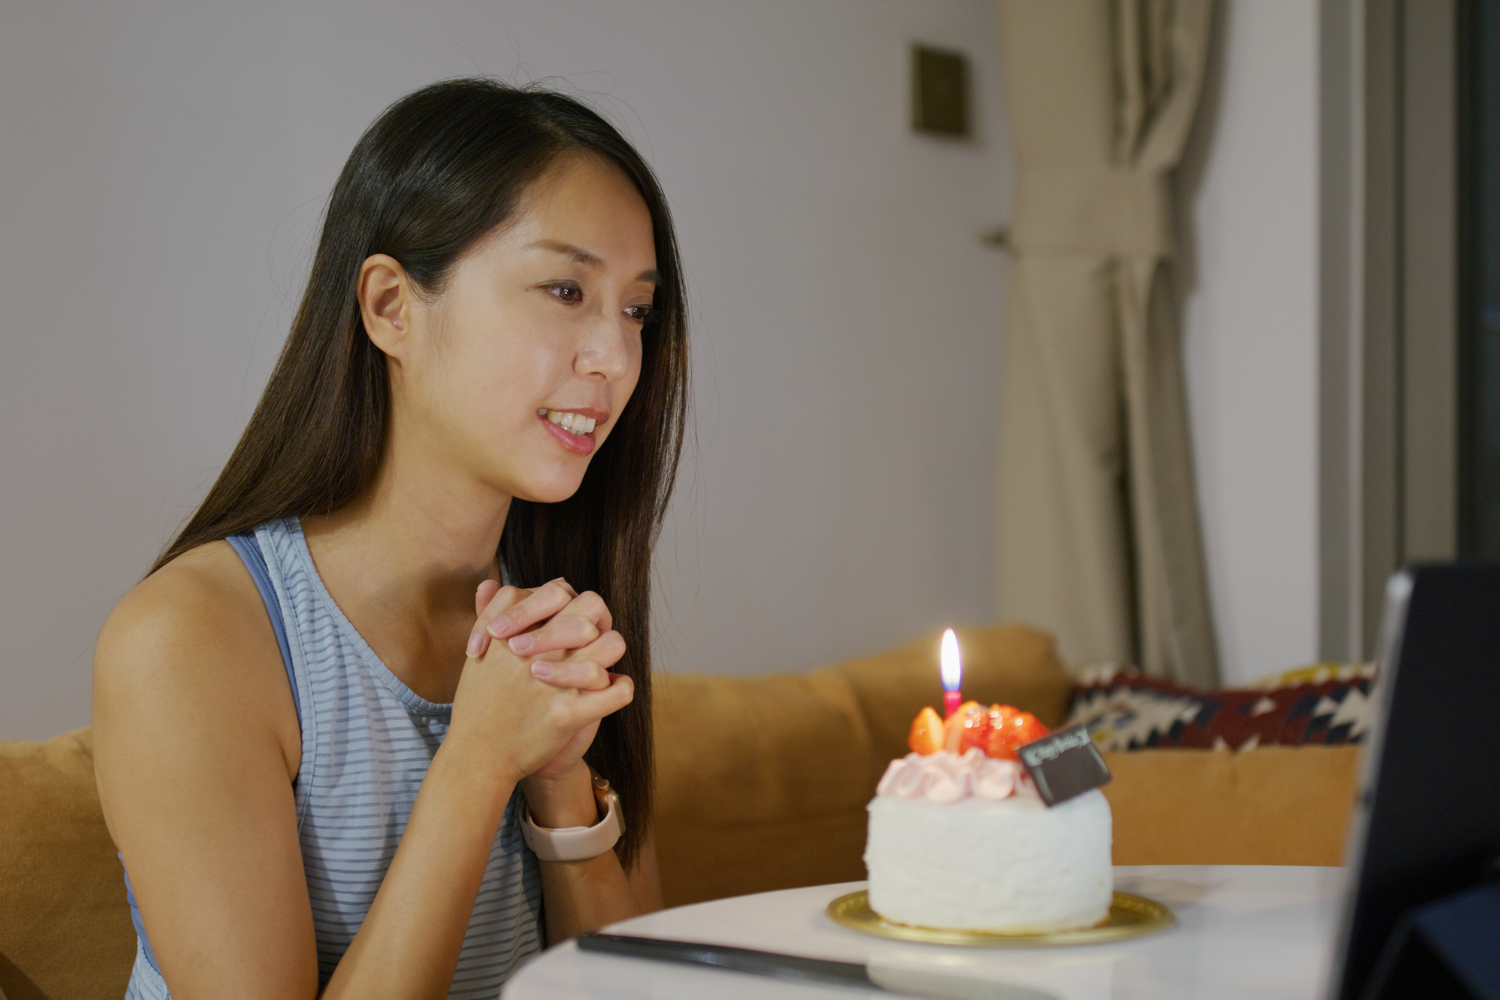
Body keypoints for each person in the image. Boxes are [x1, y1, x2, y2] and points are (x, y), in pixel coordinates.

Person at [91, 78, 687, 1000]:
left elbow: (638, 991)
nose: (615, 357)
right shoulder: (191, 641)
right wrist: (481, 763)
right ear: (389, 308)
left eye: (636, 310)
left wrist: (560, 787)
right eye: (566, 289)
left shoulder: (559, 603)